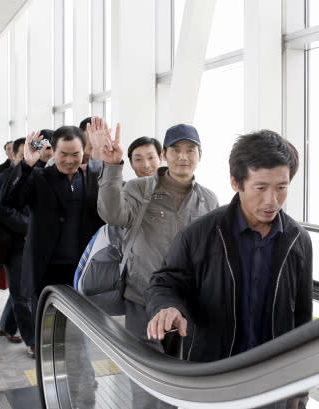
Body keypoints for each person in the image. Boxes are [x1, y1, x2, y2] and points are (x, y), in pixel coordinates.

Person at [146, 130, 312, 409]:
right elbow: (165, 282)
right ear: (236, 182)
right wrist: (167, 306)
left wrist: (302, 385)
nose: (272, 200)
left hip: (271, 382)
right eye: (260, 188)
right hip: (211, 378)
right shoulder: (201, 234)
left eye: (281, 187)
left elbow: (303, 317)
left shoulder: (298, 240)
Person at [90, 118, 218, 409]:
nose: (183, 156)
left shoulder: (208, 200)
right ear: (165, 155)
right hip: (142, 298)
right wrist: (112, 167)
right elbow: (111, 213)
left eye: (191, 150)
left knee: (181, 376)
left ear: (200, 156)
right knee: (146, 376)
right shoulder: (140, 189)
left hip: (189, 305)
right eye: (176, 150)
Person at [1, 126, 104, 320]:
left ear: (84, 152)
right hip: (45, 269)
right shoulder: (38, 178)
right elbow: (9, 200)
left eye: (75, 154)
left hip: (82, 268)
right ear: (53, 151)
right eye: (63, 154)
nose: (69, 160)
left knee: (79, 327)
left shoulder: (91, 179)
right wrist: (25, 165)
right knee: (46, 328)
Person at [0, 137, 36, 358]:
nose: (27, 160)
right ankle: (32, 340)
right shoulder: (1, 179)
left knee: (23, 290)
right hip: (16, 244)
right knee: (22, 294)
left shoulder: (39, 176)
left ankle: (6, 325)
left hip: (37, 243)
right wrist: (33, 228)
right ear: (13, 155)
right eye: (22, 156)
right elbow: (6, 213)